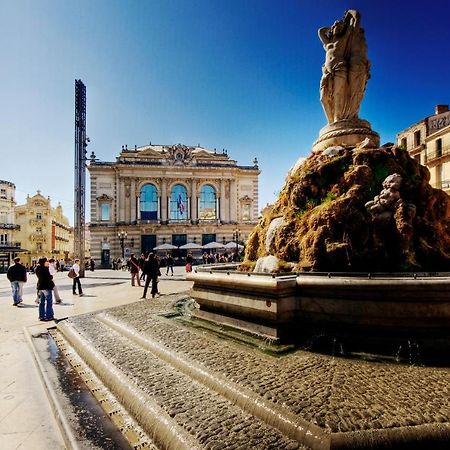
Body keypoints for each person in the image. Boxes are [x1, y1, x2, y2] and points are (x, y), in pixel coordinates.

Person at [318, 9, 370, 124]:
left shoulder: (345, 37)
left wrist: (348, 16)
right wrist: (334, 26)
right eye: (336, 26)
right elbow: (321, 32)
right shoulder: (328, 43)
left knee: (338, 93)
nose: (338, 27)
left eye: (340, 26)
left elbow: (357, 18)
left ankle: (338, 119)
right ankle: (331, 122)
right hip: (327, 70)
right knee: (324, 97)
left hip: (340, 67)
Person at [35, 257, 55, 321]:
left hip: (40, 287)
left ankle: (41, 316)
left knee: (42, 302)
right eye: (46, 261)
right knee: (49, 301)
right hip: (46, 286)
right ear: (44, 262)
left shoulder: (37, 269)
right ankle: (49, 316)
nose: (47, 262)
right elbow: (49, 277)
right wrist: (51, 276)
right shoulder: (45, 269)